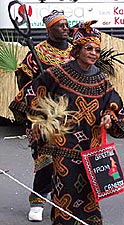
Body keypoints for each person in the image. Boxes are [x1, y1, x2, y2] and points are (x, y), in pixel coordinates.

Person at [9, 20, 124, 225]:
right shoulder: (57, 73)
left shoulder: (101, 78)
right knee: (65, 191)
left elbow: (114, 102)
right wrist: (43, 120)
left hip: (90, 146)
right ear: (77, 50)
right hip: (62, 145)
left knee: (89, 193)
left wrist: (110, 115)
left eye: (97, 50)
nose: (93, 53)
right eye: (88, 48)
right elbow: (28, 95)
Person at [15, 10, 73, 222]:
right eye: (61, 25)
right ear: (50, 29)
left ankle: (65, 202)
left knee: (70, 161)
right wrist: (40, 85)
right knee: (45, 159)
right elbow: (23, 82)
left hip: (72, 115)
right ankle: (38, 200)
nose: (65, 28)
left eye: (67, 24)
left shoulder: (75, 52)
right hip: (44, 116)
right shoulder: (37, 53)